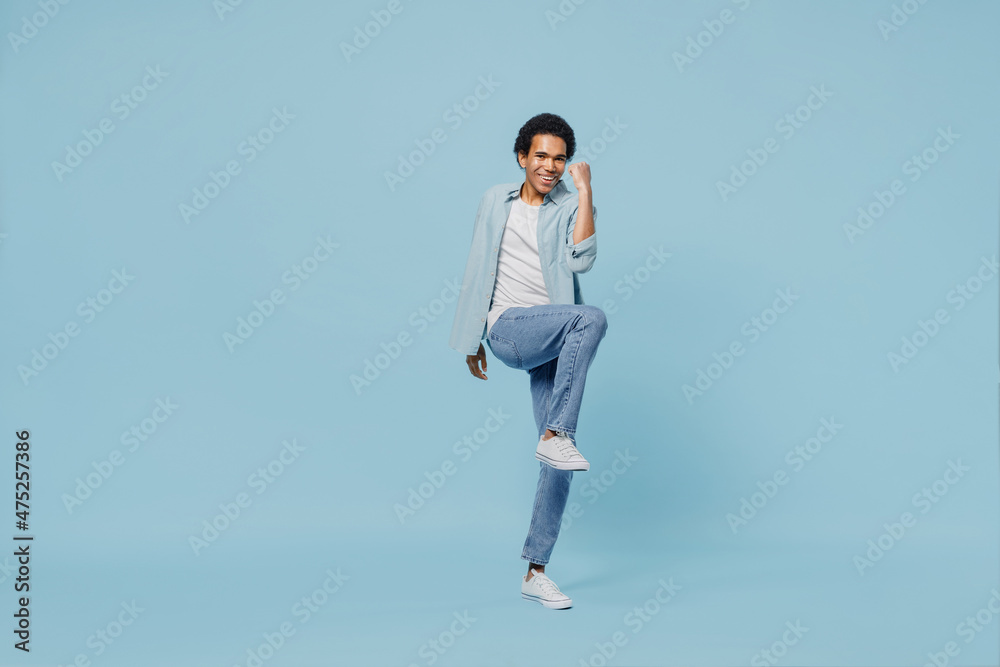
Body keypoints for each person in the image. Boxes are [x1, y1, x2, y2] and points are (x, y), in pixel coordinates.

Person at [448, 112, 608, 610]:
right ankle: (558, 435)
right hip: (508, 328)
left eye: (560, 159)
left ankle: (536, 571)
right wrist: (471, 338)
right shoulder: (496, 200)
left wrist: (584, 194)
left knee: (557, 463)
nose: (551, 166)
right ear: (522, 157)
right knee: (593, 318)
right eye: (541, 156)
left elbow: (582, 260)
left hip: (551, 336)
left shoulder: (570, 205)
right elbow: (478, 265)